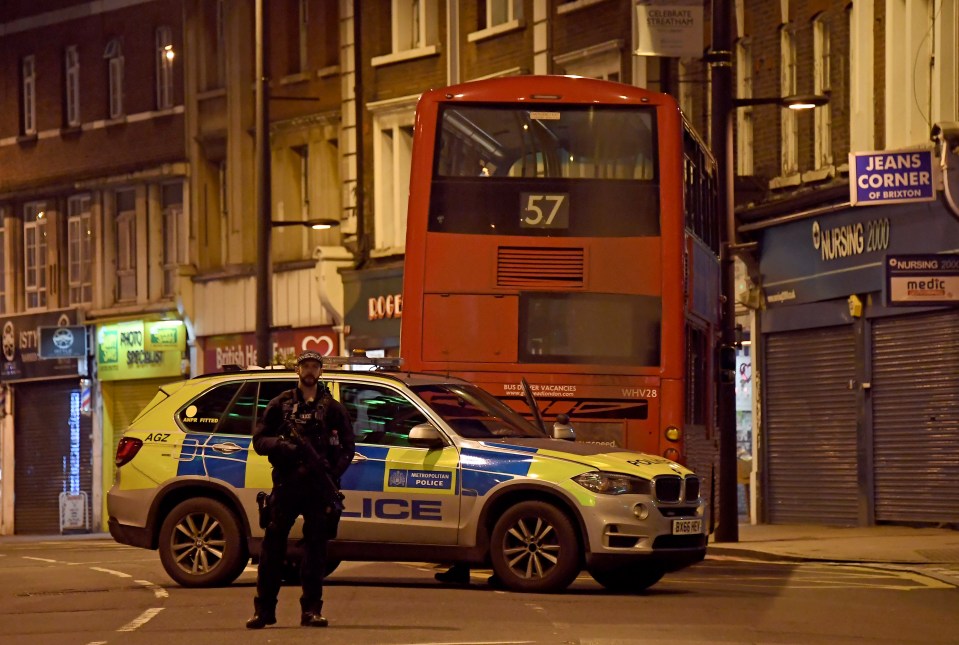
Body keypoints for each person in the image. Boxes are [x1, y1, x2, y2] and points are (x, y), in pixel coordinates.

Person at [246, 350, 355, 629]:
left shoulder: (333, 408)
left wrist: (333, 472)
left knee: (316, 550)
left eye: (314, 366)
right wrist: (284, 447)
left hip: (319, 487)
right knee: (272, 548)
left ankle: (311, 611)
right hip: (287, 484)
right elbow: (259, 440)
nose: (310, 371)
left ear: (320, 372)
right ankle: (264, 611)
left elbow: (348, 446)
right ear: (298, 370)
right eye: (305, 366)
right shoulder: (281, 404)